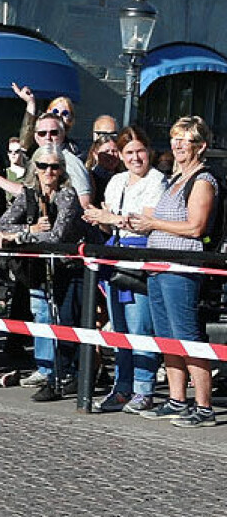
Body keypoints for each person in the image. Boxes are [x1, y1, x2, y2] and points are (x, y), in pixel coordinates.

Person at [127, 115, 219, 428]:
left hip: (182, 267)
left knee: (186, 335)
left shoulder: (203, 180)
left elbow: (195, 226)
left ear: (201, 146)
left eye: (185, 140)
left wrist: (153, 224)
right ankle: (177, 399)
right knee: (166, 336)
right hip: (158, 267)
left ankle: (204, 406)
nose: (177, 145)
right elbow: (157, 218)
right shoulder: (173, 180)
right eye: (174, 138)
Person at [83, 126, 165, 414]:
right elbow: (112, 221)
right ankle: (122, 386)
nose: (135, 157)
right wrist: (99, 219)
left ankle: (144, 388)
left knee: (140, 325)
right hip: (115, 256)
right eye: (129, 152)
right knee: (119, 327)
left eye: (140, 151)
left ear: (148, 151)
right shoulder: (116, 181)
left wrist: (111, 218)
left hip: (140, 258)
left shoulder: (157, 181)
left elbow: (147, 220)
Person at [0, 144, 82, 401]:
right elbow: (1, 225)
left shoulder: (67, 195)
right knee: (44, 319)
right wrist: (29, 231)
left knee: (66, 322)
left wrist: (17, 235)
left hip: (69, 267)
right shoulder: (29, 194)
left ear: (62, 170)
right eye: (43, 166)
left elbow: (56, 236)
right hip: (40, 270)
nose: (49, 172)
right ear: (35, 167)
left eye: (55, 166)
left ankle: (65, 376)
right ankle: (55, 373)